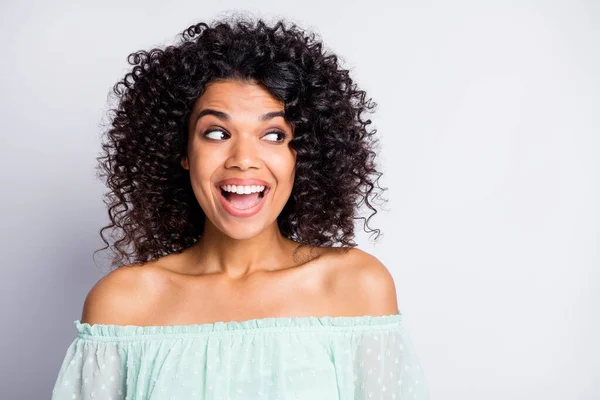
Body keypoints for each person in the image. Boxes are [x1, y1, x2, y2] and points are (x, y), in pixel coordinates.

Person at [51, 16, 429, 399]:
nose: (243, 159)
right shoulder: (123, 304)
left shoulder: (354, 286)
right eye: (217, 133)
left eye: (273, 134)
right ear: (182, 151)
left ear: (304, 154)